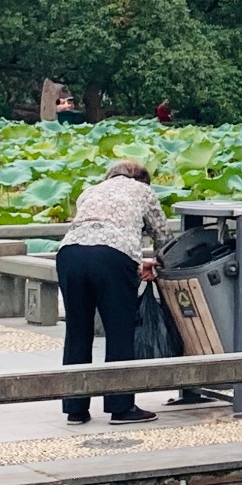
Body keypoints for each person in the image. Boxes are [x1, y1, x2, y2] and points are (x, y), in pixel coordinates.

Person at [56, 159, 170, 424]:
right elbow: (163, 236)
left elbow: (93, 229)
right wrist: (161, 262)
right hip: (112, 257)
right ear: (142, 179)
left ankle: (75, 408)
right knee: (119, 330)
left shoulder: (90, 191)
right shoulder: (142, 191)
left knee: (77, 331)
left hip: (70, 254)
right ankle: (120, 407)